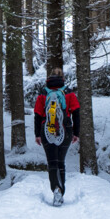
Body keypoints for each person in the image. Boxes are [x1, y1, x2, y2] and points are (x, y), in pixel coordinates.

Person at [33, 68, 80, 206]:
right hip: (65, 130)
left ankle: (56, 189)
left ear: (49, 78)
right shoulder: (69, 93)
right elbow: (76, 113)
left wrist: (37, 134)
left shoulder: (43, 93)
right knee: (61, 162)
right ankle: (61, 190)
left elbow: (37, 115)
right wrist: (76, 132)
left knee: (52, 163)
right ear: (62, 78)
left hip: (46, 130)